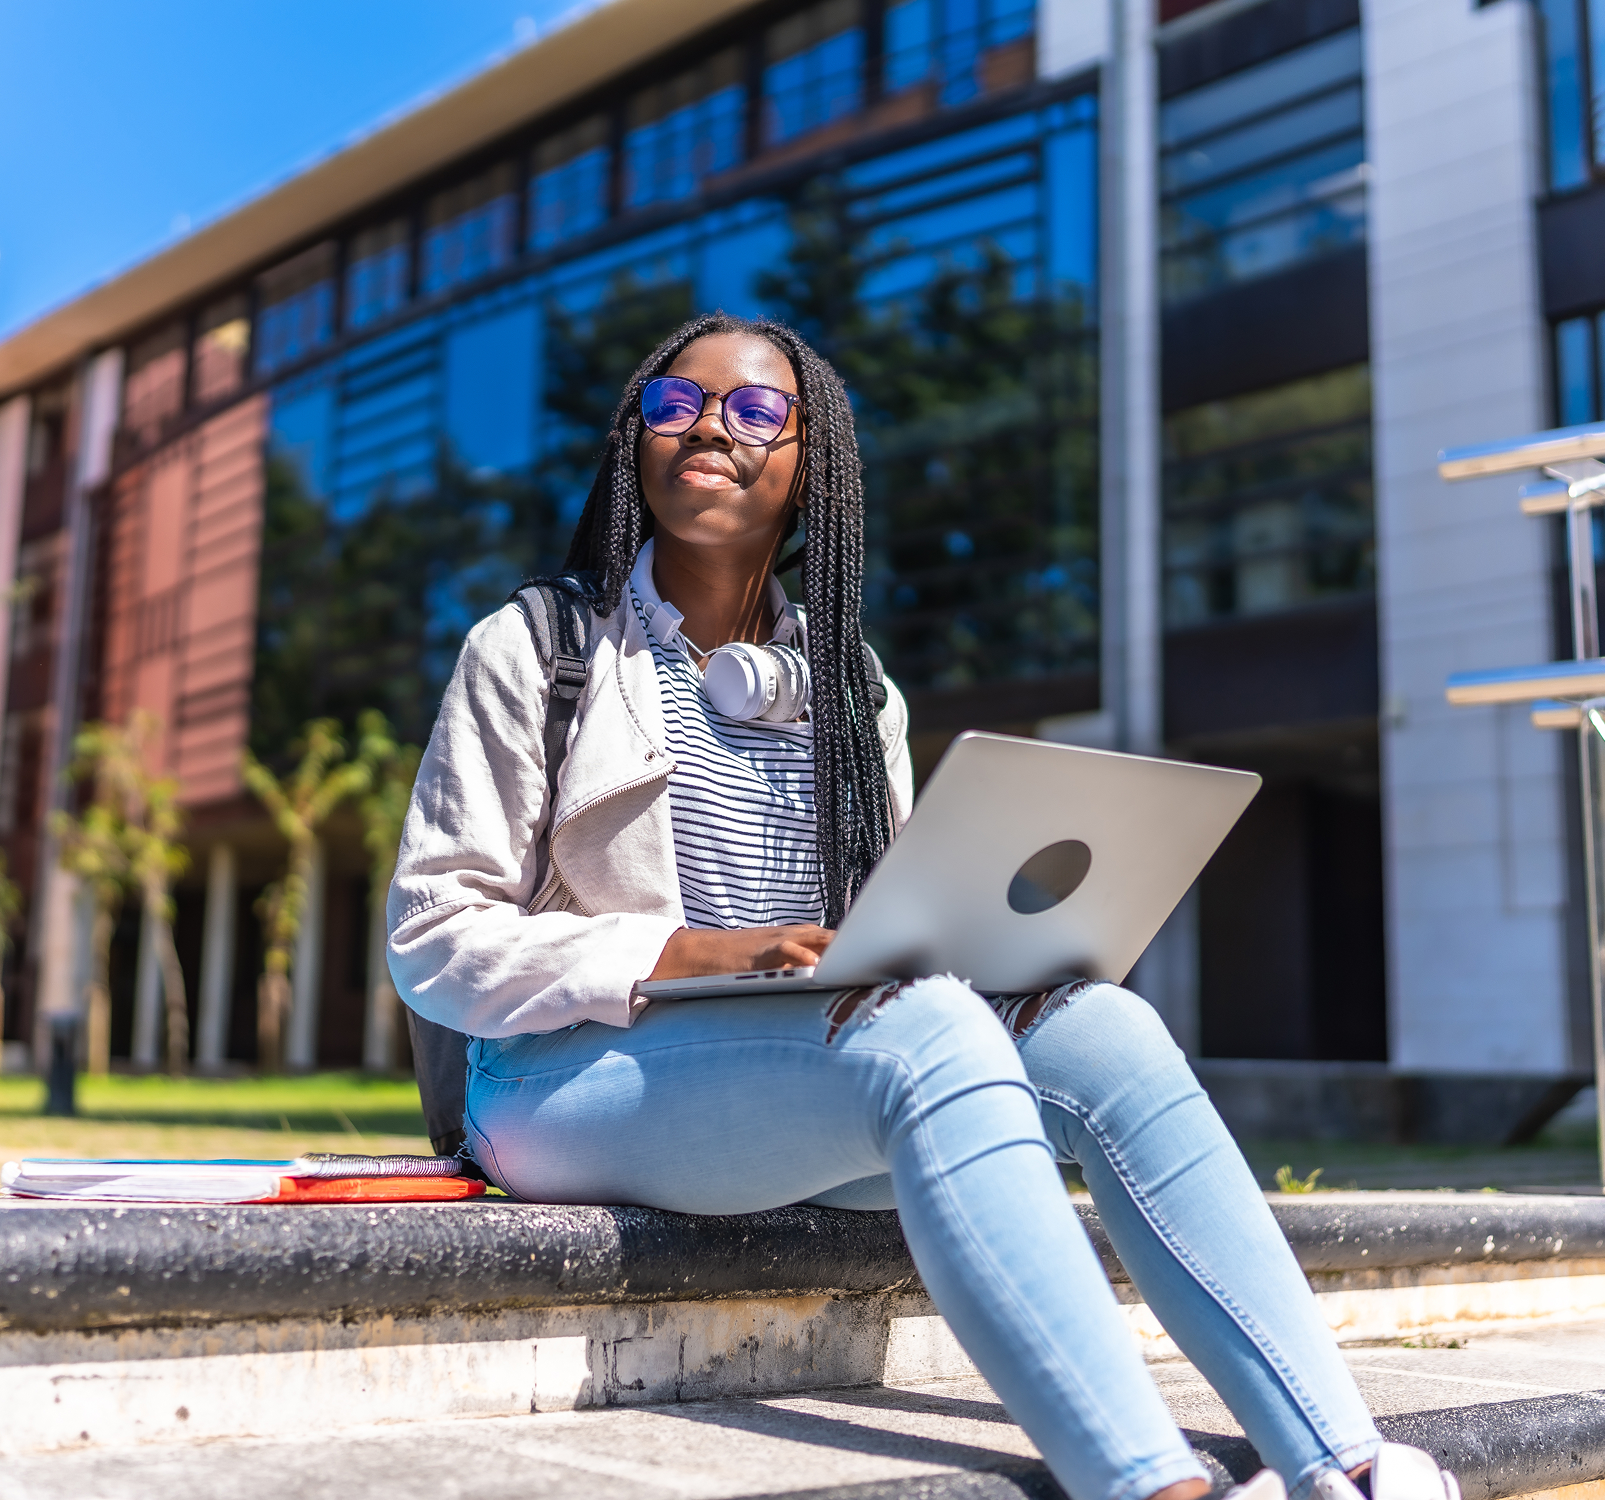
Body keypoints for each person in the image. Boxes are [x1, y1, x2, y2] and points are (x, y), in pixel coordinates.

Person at [387, 314, 1454, 1500]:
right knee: (932, 1035)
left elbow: (893, 933)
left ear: (812, 468)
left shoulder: (854, 691)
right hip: (564, 1084)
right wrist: (694, 952)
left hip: (796, 1091)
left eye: (753, 412)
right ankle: (1148, 1483)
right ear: (634, 439)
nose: (707, 429)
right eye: (673, 405)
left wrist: (997, 968)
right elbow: (434, 939)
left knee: (1100, 1026)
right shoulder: (537, 649)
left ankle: (1344, 1462)